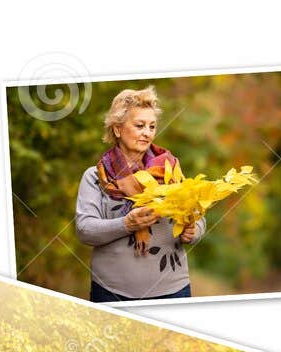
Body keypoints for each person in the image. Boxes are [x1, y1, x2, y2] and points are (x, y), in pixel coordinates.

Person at [73, 87, 204, 302]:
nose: (147, 133)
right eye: (139, 126)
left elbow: (198, 216)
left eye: (152, 127)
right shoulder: (95, 177)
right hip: (112, 293)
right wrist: (126, 224)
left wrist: (193, 230)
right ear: (117, 129)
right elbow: (85, 230)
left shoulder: (170, 171)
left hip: (173, 290)